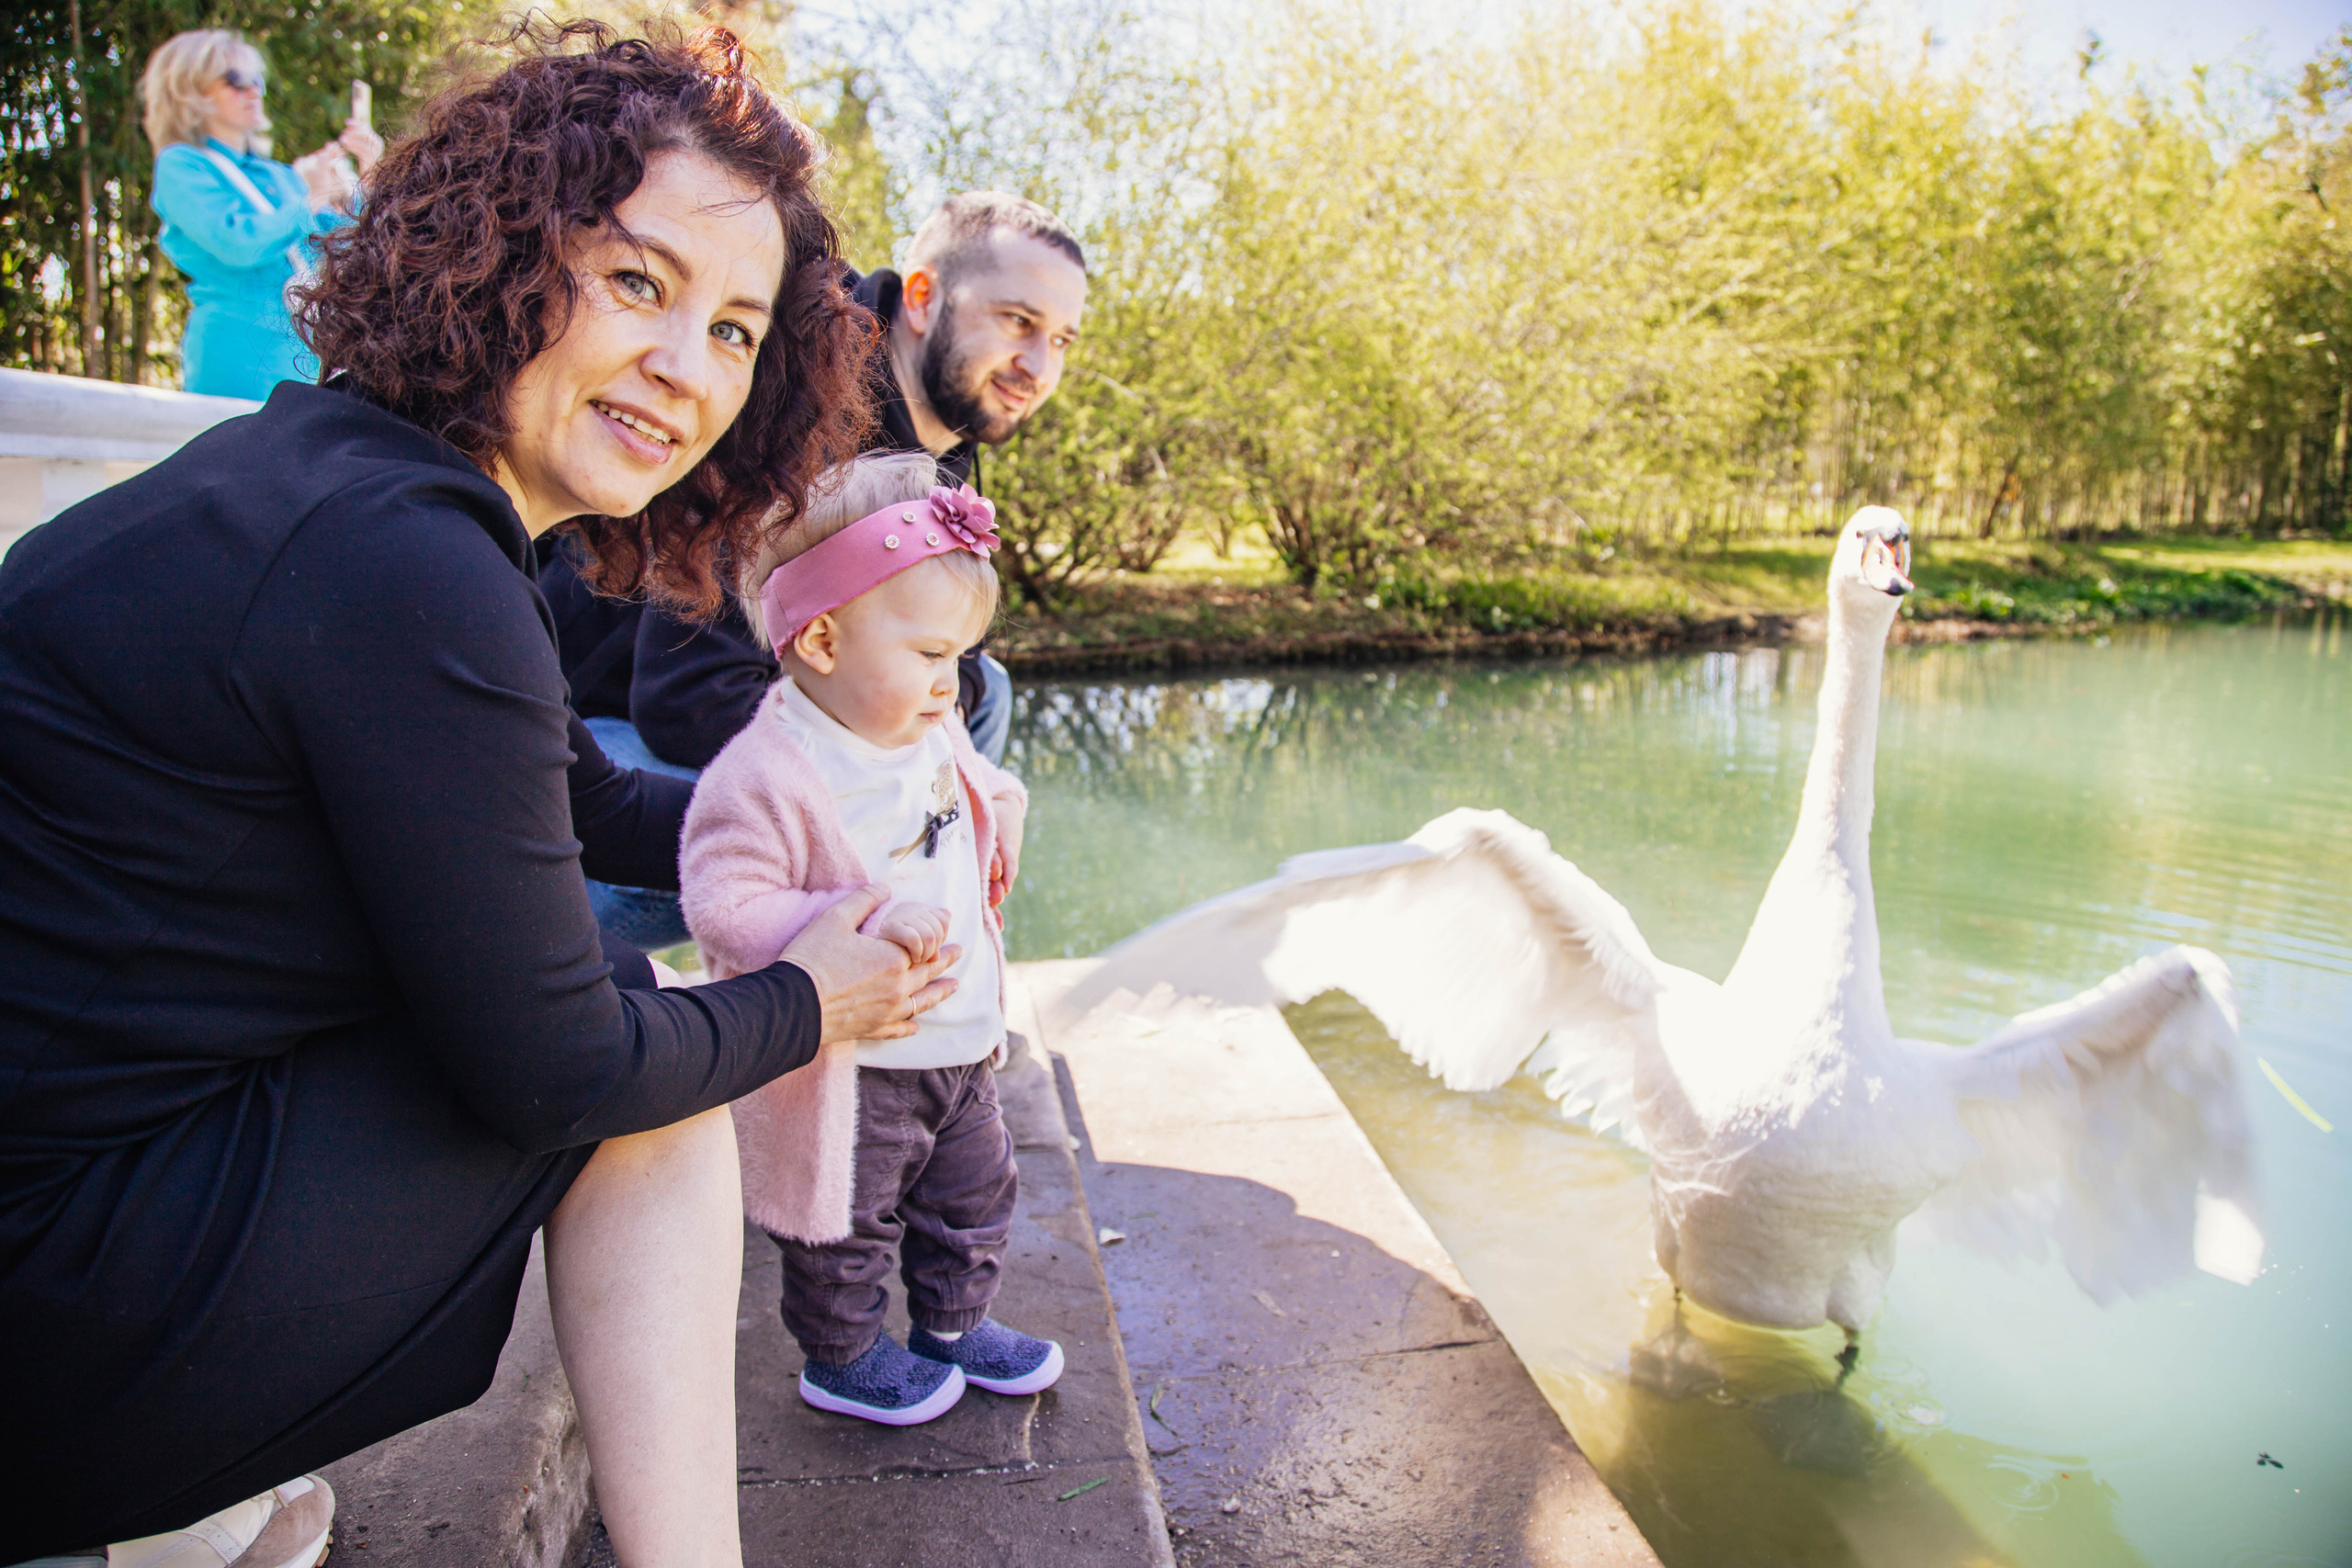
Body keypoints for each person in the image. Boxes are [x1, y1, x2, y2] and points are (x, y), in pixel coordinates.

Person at [0, 24, 950, 1568]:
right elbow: (559, 1073)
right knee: (645, 1070)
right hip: (46, 1303)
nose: (684, 368)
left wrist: (845, 822)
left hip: (72, 1189)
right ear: (500, 254)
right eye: (638, 283)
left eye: (734, 329)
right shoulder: (404, 562)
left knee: (632, 1019)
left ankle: (193, 1503)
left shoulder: (345, 481)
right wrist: (816, 995)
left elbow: (565, 800)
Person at [548, 190, 1090, 950]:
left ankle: (917, 969)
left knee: (981, 694)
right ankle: (814, 986)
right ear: (925, 298)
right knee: (913, 762)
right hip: (599, 746)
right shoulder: (799, 397)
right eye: (1018, 322)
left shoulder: (945, 455)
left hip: (715, 729)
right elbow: (688, 697)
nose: (1038, 365)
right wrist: (890, 790)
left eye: (1062, 339)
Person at [681, 451, 1055, 1427]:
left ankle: (954, 1324)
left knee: (974, 1196)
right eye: (931, 656)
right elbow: (722, 900)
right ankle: (841, 1356)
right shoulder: (771, 771)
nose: (952, 684)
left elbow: (962, 794)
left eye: (960, 658)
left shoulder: (923, 730)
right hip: (856, 1061)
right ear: (820, 639)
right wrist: (839, 922)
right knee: (846, 1224)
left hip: (959, 1043)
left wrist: (999, 807)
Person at [141, 29, 382, 399]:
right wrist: (311, 200)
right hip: (235, 359)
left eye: (257, 80)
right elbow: (235, 242)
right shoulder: (180, 164)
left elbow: (347, 250)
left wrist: (370, 177)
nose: (254, 91)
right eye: (236, 81)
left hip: (302, 362)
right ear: (188, 91)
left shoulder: (279, 175)